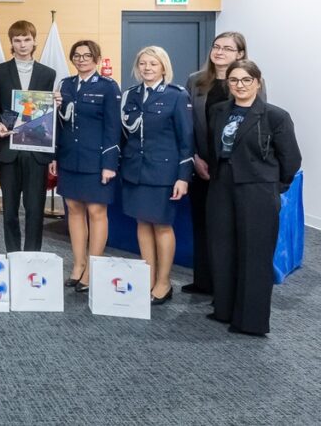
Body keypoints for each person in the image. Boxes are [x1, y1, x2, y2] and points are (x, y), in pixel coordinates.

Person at [205, 60, 300, 336]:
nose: (240, 85)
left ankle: (250, 321)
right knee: (222, 249)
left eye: (246, 80)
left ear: (258, 82)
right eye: (234, 80)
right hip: (222, 187)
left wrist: (273, 186)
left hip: (257, 190)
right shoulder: (219, 110)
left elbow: (291, 160)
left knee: (254, 255)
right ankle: (223, 309)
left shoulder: (275, 116)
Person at [183, 31, 265, 296]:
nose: (219, 52)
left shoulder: (248, 81)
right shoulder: (195, 81)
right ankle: (203, 281)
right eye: (216, 47)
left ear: (240, 54)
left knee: (229, 227)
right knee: (202, 223)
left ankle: (227, 286)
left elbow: (258, 125)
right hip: (201, 164)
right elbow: (187, 125)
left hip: (233, 168)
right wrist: (195, 158)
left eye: (227, 49)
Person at [119, 46, 194, 305]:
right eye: (143, 63)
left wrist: (183, 176)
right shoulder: (129, 95)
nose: (147, 68)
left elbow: (187, 140)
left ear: (164, 67)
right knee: (142, 223)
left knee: (162, 225)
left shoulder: (176, 95)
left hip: (163, 172)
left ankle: (164, 281)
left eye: (153, 63)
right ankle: (147, 277)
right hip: (134, 170)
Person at [51, 40, 121, 293]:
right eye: (77, 55)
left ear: (97, 58)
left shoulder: (108, 87)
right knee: (73, 209)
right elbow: (59, 125)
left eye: (87, 55)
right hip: (70, 156)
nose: (81, 59)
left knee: (96, 211)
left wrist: (109, 164)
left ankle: (93, 268)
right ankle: (78, 264)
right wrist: (55, 156)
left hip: (97, 159)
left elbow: (114, 128)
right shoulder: (66, 85)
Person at [0, 20, 57, 252]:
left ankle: (32, 259)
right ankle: (13, 255)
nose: (22, 44)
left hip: (37, 151)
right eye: (17, 40)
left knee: (35, 210)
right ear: (11, 43)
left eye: (27, 39)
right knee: (9, 211)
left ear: (34, 41)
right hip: (9, 149)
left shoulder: (48, 74)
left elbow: (47, 113)